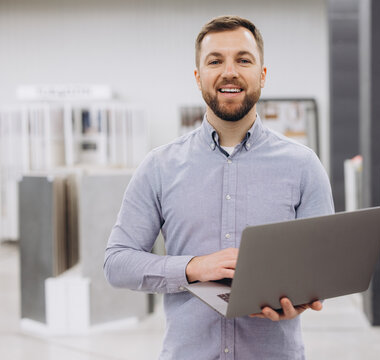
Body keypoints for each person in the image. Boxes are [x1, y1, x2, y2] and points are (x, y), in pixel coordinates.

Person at [104, 15, 334, 359]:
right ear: (199, 78)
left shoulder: (303, 165)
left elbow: (323, 267)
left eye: (243, 59)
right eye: (215, 61)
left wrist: (299, 300)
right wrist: (193, 268)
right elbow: (117, 262)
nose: (230, 71)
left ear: (262, 75)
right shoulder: (159, 167)